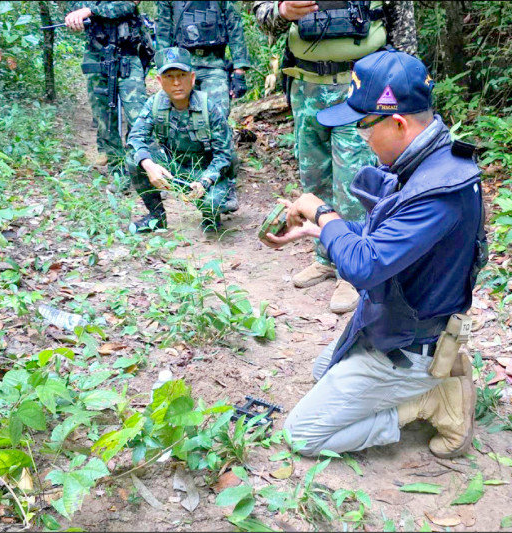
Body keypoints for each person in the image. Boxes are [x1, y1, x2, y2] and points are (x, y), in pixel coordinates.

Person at [264, 49, 486, 458]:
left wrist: (323, 211)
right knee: (321, 372)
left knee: (301, 436)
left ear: (398, 123)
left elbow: (364, 266)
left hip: (411, 344)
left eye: (365, 130)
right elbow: (375, 239)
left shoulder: (438, 192)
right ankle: (427, 385)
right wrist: (318, 229)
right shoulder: (423, 163)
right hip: (391, 325)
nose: (364, 142)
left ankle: (428, 400)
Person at [252, 1, 417, 314]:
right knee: (314, 178)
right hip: (305, 87)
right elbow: (262, 17)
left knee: (354, 183)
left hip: (362, 87)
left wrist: (403, 87)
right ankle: (326, 257)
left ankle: (354, 268)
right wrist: (284, 11)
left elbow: (404, 30)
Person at [126, 47, 238, 233]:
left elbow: (224, 155)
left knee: (212, 203)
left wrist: (204, 182)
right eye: (169, 77)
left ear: (192, 78)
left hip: (203, 169)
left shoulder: (209, 108)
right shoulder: (154, 104)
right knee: (134, 158)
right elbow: (136, 137)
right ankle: (156, 217)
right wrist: (149, 165)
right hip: (172, 166)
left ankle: (211, 216)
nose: (177, 82)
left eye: (182, 75)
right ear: (160, 81)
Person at [65, 1, 149, 180]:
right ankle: (118, 171)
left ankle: (144, 170)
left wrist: (89, 11)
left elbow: (128, 5)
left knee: (139, 116)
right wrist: (75, 19)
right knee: (104, 117)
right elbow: (73, 10)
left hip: (128, 54)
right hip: (97, 54)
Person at [155, 1, 251, 117]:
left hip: (214, 65)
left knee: (218, 116)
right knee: (179, 118)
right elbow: (164, 29)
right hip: (182, 67)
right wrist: (164, 70)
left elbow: (234, 26)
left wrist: (239, 69)